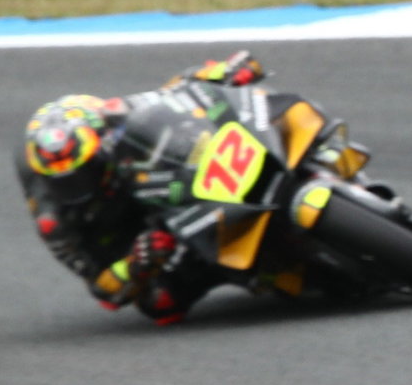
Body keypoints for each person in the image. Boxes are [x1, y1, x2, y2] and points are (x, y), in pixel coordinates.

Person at [14, 51, 267, 326]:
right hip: (139, 234)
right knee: (159, 302)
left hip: (166, 182)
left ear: (104, 144)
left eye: (84, 171)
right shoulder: (54, 221)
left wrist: (222, 73)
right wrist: (135, 263)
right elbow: (102, 289)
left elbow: (173, 91)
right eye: (62, 180)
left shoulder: (114, 117)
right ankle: (240, 269)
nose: (76, 185)